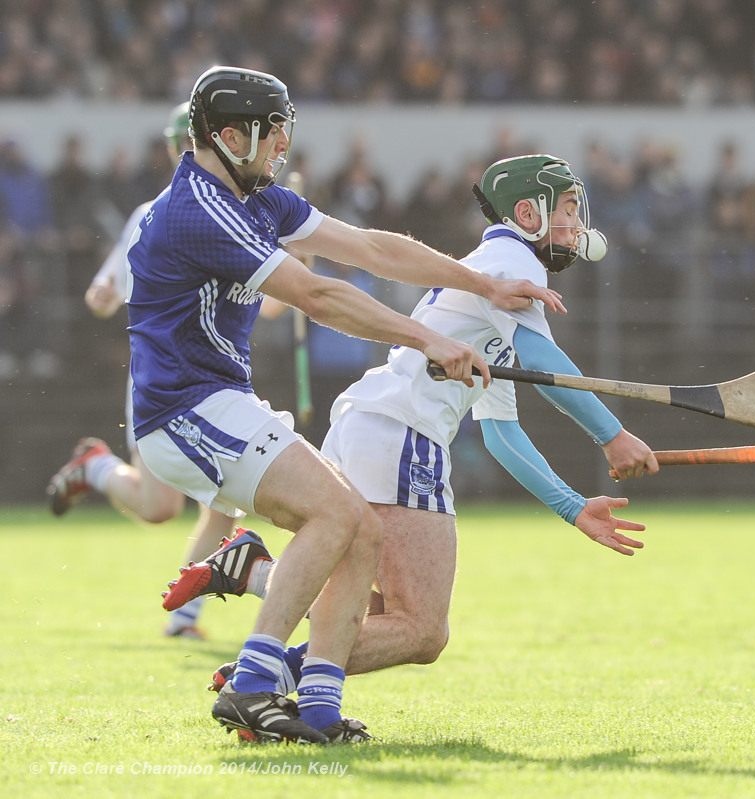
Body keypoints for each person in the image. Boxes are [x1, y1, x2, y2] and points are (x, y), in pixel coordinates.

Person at [128, 66, 562, 746]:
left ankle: (320, 710)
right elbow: (321, 295)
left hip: (221, 401)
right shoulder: (200, 208)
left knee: (360, 529)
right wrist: (429, 337)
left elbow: (368, 248)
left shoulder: (259, 201)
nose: (282, 149)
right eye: (272, 136)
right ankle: (251, 685)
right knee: (336, 514)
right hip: (184, 409)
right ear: (231, 136)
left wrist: (478, 280)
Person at [162, 154, 657, 702]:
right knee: (421, 629)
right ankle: (267, 674)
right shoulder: (513, 260)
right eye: (567, 210)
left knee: (370, 609)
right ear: (528, 214)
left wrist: (571, 506)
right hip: (402, 434)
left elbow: (502, 434)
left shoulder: (492, 289)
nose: (577, 225)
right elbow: (548, 364)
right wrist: (612, 435)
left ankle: (257, 582)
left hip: (371, 426)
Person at [45, 102, 237, 640]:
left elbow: (270, 303)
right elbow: (103, 299)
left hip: (220, 378)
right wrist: (103, 293)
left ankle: (184, 616)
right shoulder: (153, 212)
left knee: (231, 496)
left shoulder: (244, 212)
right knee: (158, 507)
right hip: (163, 380)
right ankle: (97, 467)